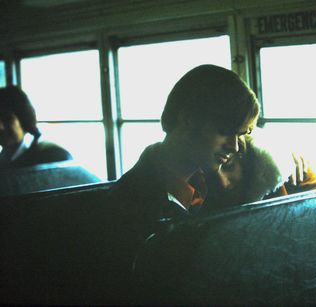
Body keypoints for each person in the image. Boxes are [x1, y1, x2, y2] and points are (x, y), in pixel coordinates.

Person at [99, 64, 260, 303]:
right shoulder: (125, 207)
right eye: (226, 131)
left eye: (242, 134)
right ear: (188, 120)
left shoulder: (214, 183)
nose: (235, 146)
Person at [203, 132, 316, 210]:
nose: (223, 183)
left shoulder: (291, 172)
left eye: (229, 166)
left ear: (245, 158)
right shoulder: (201, 194)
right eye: (211, 176)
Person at [0, 86, 72, 169]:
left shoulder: (54, 157)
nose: (0, 127)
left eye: (7, 119)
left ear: (23, 120)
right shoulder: (4, 159)